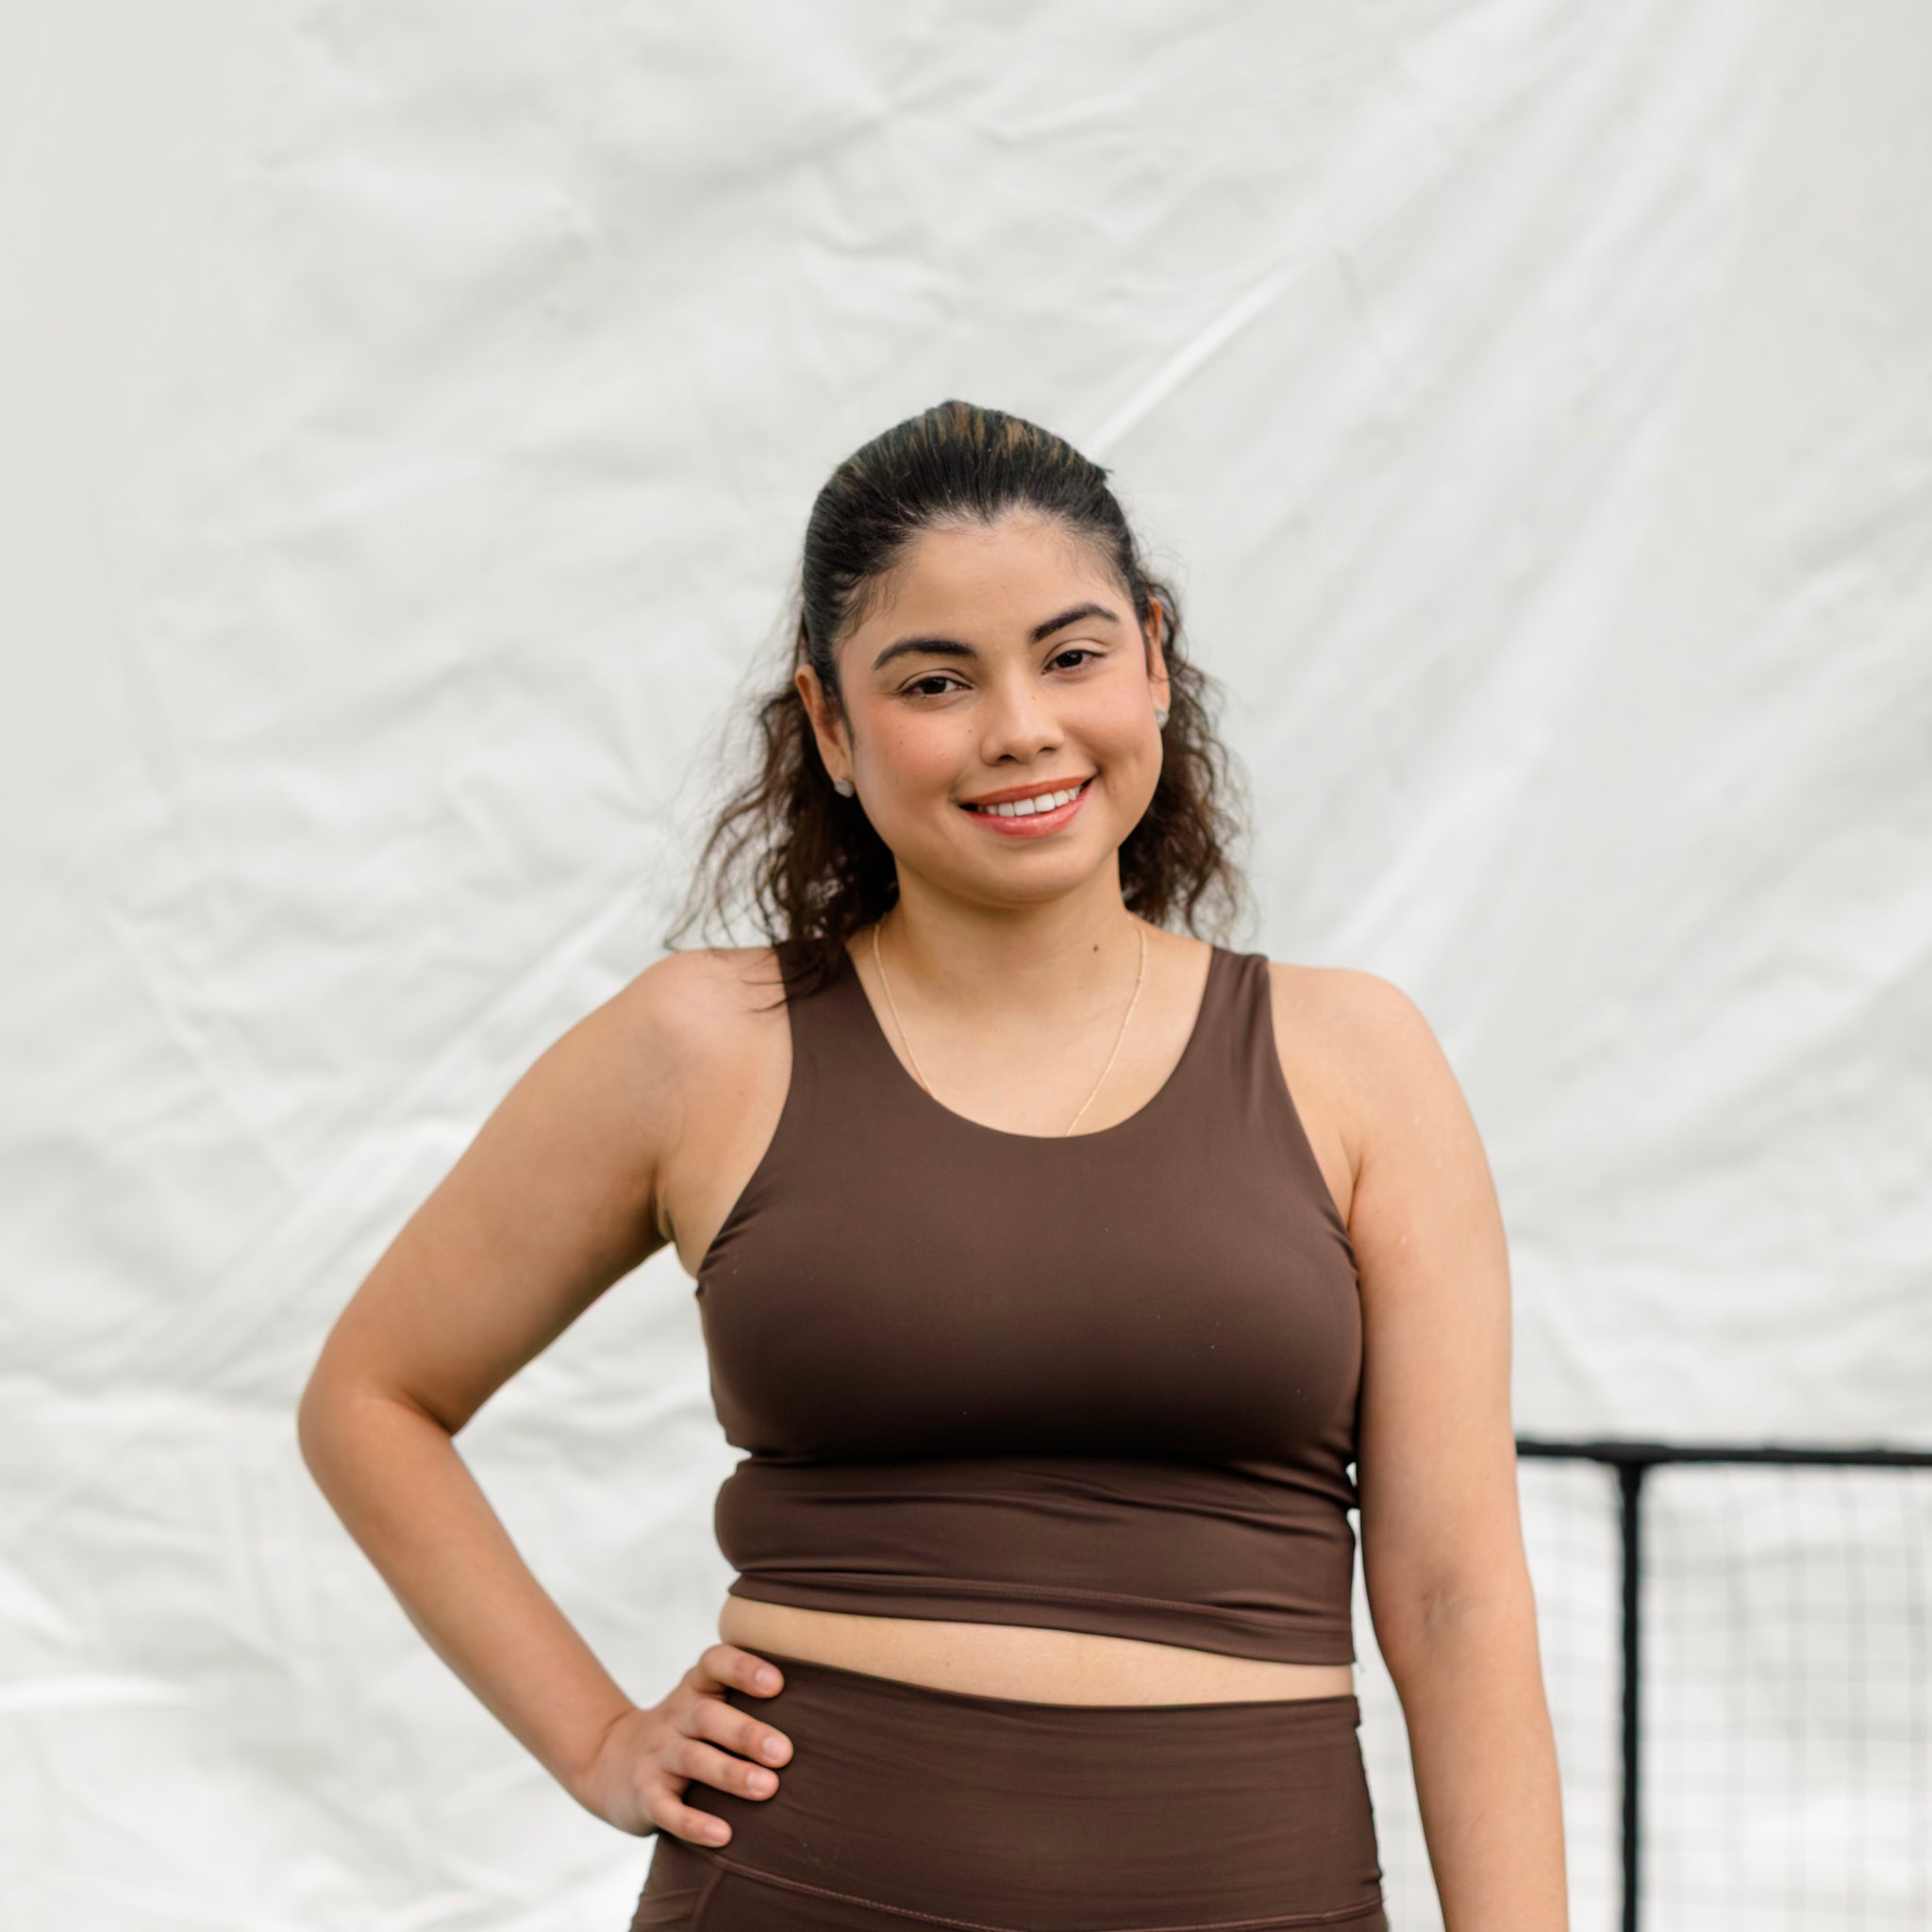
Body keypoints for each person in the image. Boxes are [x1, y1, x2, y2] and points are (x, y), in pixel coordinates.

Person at [297, 399, 1568, 1930]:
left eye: (1073, 654)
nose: (1019, 725)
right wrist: (597, 1739)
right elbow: (372, 1401)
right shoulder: (708, 1046)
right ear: (830, 726)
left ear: (1156, 660)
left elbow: (1453, 1599)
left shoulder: (1356, 1059)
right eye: (935, 680)